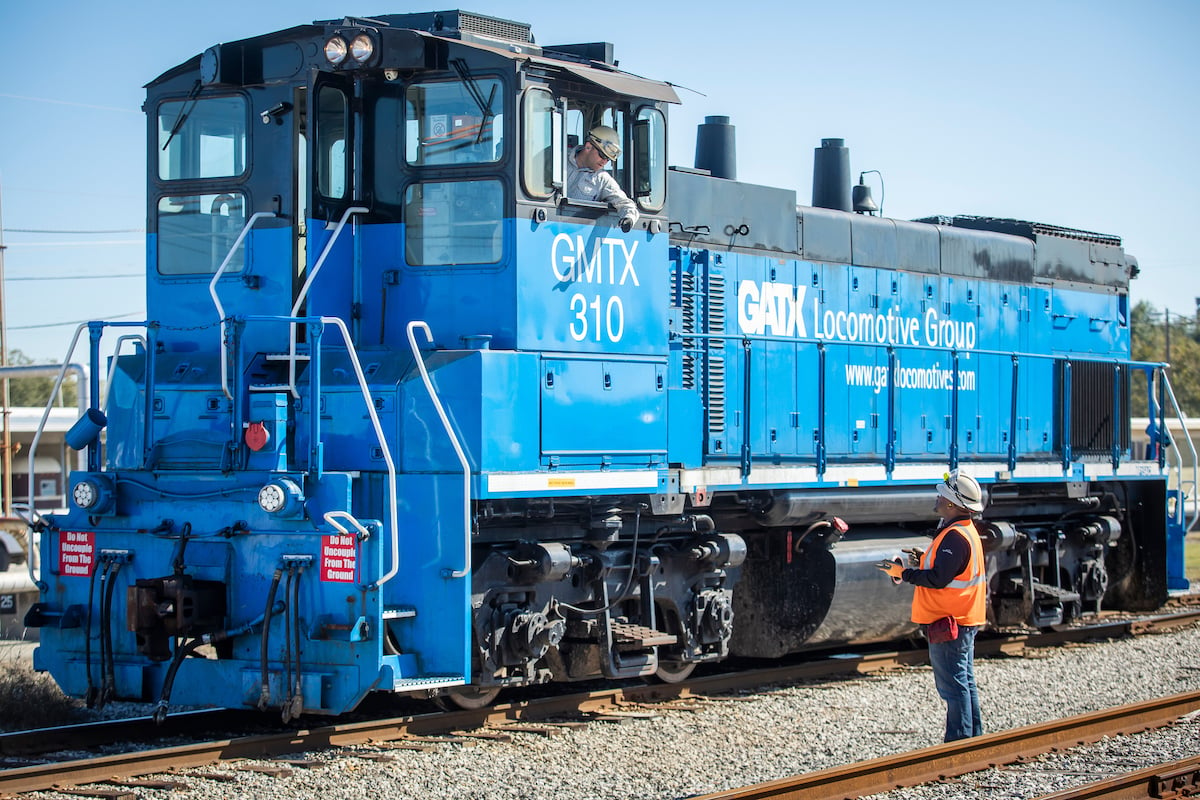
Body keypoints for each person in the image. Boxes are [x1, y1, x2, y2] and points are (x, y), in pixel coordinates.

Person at [877, 469, 988, 742]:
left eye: (942, 495)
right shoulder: (962, 531)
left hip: (951, 620)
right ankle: (973, 737)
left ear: (952, 504)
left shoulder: (955, 537)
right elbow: (948, 568)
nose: (937, 498)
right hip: (961, 617)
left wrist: (901, 573)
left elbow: (938, 578)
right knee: (964, 680)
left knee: (953, 684)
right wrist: (923, 557)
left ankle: (958, 742)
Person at [565, 125, 639, 232]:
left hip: (572, 232)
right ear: (588, 146)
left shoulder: (602, 180)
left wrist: (629, 218)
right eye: (602, 155)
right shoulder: (556, 157)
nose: (604, 162)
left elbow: (625, 203)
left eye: (608, 159)